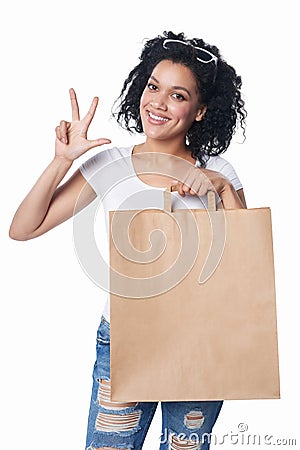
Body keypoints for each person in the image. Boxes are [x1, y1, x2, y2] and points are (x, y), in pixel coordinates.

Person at [9, 30, 247, 450]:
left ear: (201, 109)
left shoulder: (219, 170)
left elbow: (251, 264)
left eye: (178, 95)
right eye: (154, 87)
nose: (158, 102)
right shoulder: (111, 163)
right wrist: (61, 161)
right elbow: (24, 228)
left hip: (203, 338)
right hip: (125, 337)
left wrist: (221, 189)